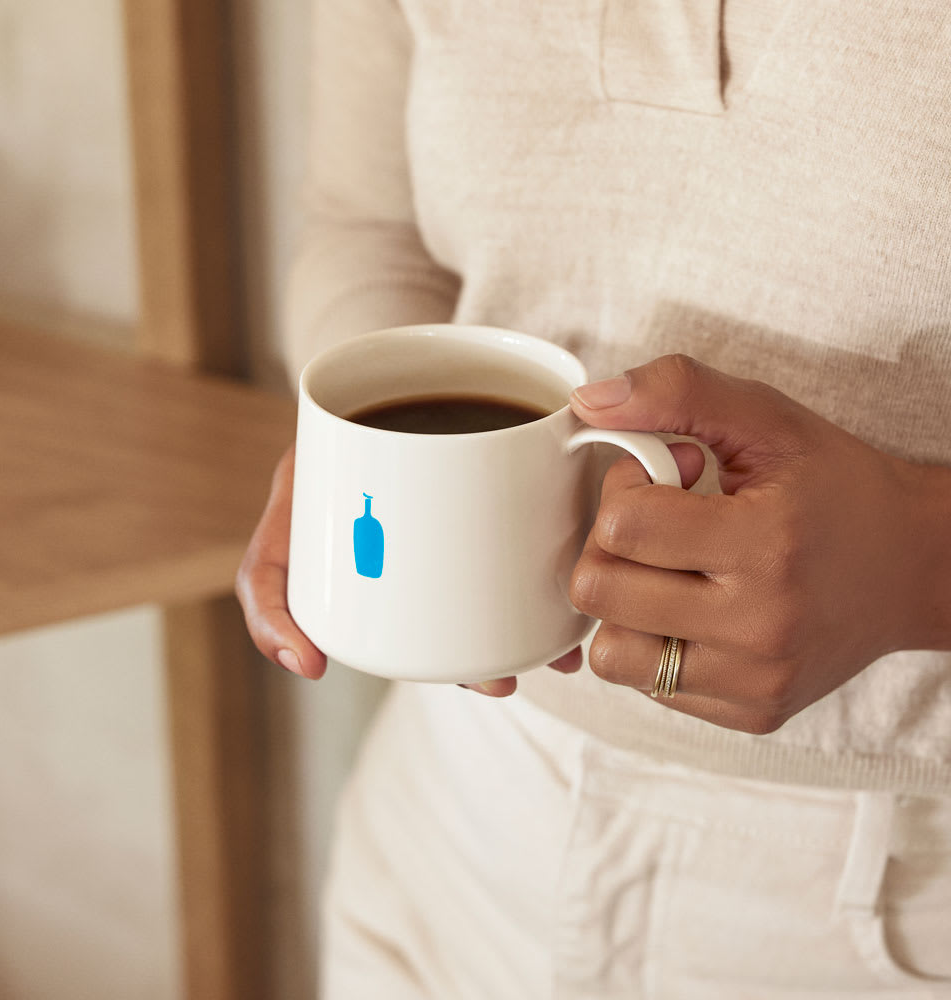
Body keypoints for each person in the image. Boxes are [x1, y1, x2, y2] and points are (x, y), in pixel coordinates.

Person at [236, 0, 951, 995]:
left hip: (896, 890)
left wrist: (920, 558)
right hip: (449, 823)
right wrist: (363, 445)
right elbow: (369, 227)